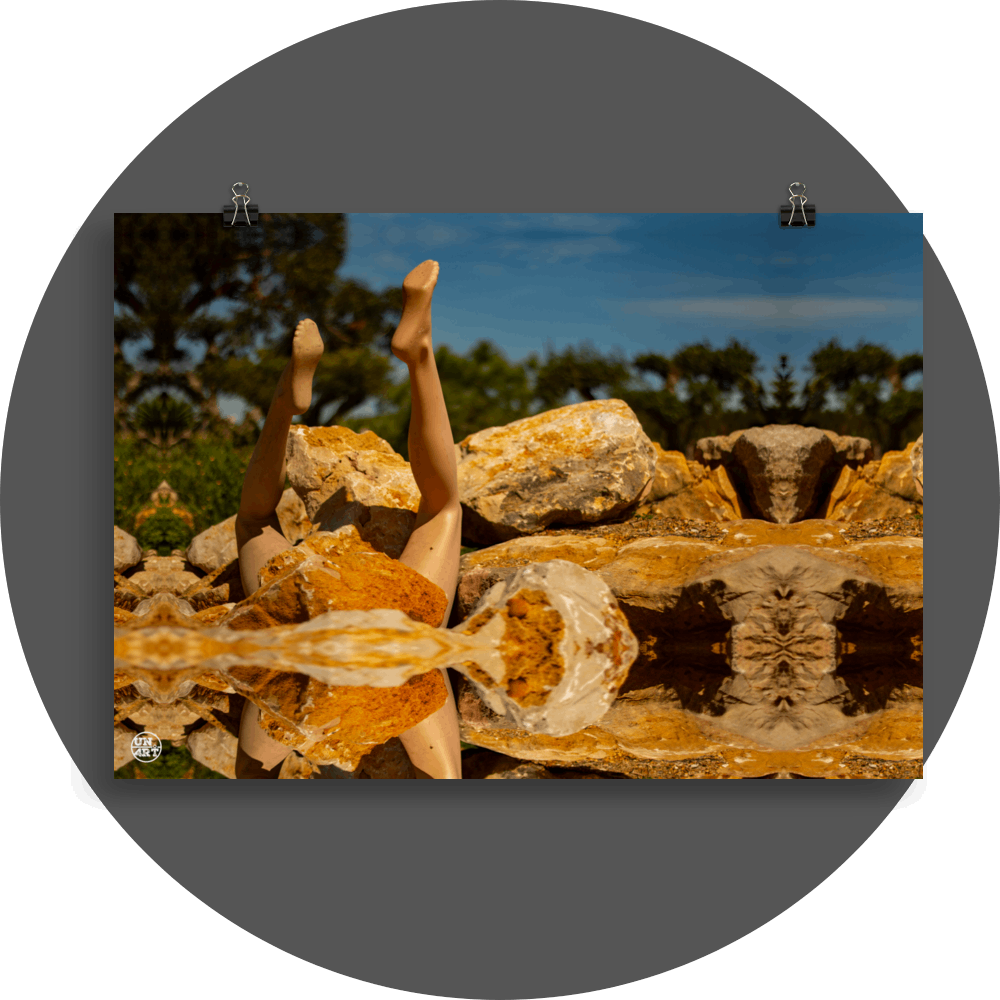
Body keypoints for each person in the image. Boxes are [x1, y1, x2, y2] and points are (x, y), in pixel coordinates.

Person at [232, 260, 463, 779]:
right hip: (392, 639)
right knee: (442, 507)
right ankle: (419, 356)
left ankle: (284, 399)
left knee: (255, 522)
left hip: (299, 632)